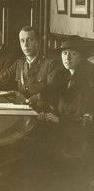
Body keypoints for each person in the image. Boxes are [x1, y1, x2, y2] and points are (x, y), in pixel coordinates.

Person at [36, 36, 94, 188]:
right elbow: (50, 95)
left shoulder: (89, 76)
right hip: (63, 128)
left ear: (81, 56)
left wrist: (59, 120)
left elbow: (86, 116)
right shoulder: (63, 74)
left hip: (82, 135)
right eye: (64, 53)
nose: (67, 57)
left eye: (72, 53)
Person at [0, 26, 64, 109]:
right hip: (22, 108)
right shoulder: (19, 63)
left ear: (37, 42)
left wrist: (34, 99)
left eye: (29, 40)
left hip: (42, 111)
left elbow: (52, 90)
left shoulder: (50, 64)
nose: (25, 45)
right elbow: (2, 77)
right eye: (22, 41)